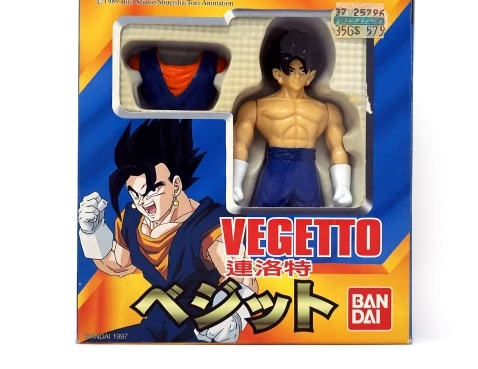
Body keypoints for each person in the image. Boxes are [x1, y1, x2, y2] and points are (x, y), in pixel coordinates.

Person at [78, 119, 256, 342]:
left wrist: (231, 314)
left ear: (177, 185)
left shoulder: (210, 225)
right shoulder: (132, 219)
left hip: (201, 332)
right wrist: (93, 231)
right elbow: (118, 263)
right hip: (156, 325)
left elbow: (242, 274)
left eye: (151, 190)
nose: (143, 202)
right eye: (134, 194)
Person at [233, 29, 353, 208]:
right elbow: (240, 144)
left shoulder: (327, 110)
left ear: (310, 76)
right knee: (262, 216)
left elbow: (338, 148)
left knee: (312, 218)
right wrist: (235, 183)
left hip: (306, 169)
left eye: (302, 71)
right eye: (290, 71)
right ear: (278, 74)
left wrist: (343, 186)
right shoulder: (256, 107)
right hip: (275, 169)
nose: (296, 76)